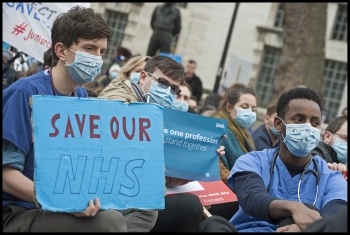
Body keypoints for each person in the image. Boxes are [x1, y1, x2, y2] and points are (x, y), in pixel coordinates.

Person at [3, 6, 132, 232]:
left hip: (58, 207)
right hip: (18, 211)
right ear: (61, 51)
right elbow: (6, 176)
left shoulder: (81, 96)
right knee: (111, 223)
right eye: (89, 48)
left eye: (101, 51)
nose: (97, 59)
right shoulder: (24, 94)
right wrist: (59, 201)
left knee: (139, 209)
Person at [99, 55, 226, 232]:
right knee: (183, 208)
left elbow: (164, 176)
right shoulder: (119, 101)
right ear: (143, 77)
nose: (168, 92)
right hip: (110, 200)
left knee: (190, 206)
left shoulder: (153, 112)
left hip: (132, 198)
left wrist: (203, 158)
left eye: (174, 89)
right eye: (163, 83)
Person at [227, 87, 347, 232]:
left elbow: (336, 217)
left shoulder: (331, 176)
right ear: (279, 124)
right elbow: (252, 197)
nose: (307, 127)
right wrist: (293, 208)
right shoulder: (252, 161)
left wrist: (305, 228)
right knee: (214, 224)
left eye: (315, 123)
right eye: (299, 119)